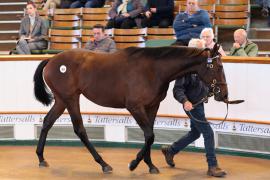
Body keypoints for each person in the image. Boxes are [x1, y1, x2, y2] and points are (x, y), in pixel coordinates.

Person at [161, 38, 227, 178]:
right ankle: (212, 166)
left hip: (199, 103)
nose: (204, 53)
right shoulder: (185, 69)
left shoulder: (201, 66)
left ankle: (171, 150)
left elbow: (203, 84)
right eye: (201, 50)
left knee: (195, 133)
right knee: (208, 133)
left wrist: (211, 91)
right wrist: (185, 101)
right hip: (191, 106)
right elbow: (177, 90)